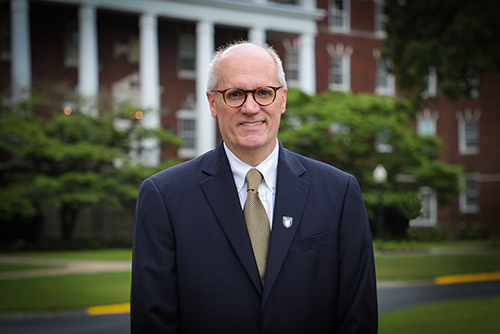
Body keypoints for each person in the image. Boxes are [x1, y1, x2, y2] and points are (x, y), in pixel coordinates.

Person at [130, 41, 378, 334]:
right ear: (212, 103)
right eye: (234, 94)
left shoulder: (339, 193)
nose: (250, 108)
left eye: (263, 93)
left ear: (282, 100)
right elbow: (153, 323)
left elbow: (358, 317)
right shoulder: (164, 197)